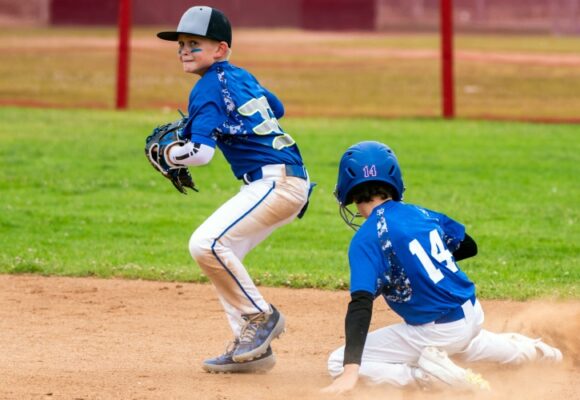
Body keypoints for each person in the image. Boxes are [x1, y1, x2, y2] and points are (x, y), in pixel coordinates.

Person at [321, 141, 562, 394]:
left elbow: (360, 304)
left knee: (337, 362)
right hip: (471, 314)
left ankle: (424, 376)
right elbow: (469, 246)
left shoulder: (366, 239)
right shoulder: (422, 214)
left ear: (349, 192)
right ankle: (540, 353)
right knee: (468, 344)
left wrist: (351, 371)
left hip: (437, 332)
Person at [156, 6, 312, 373]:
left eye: (194, 43)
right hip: (285, 180)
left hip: (276, 182)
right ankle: (252, 350)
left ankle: (260, 317)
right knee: (222, 258)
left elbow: (202, 153)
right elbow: (277, 107)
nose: (183, 50)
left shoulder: (207, 87)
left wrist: (168, 153)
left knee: (206, 244)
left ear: (220, 49)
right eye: (180, 44)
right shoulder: (238, 76)